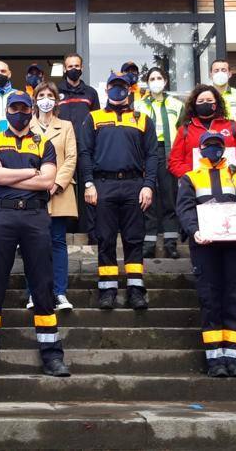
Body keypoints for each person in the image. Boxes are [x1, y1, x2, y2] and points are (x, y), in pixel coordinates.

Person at [0, 91, 69, 378]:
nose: (20, 113)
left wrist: (12, 174)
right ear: (7, 111)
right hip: (1, 216)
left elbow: (49, 180)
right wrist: (31, 173)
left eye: (24, 108)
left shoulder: (45, 143)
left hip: (34, 217)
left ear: (31, 111)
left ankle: (52, 354)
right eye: (14, 108)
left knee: (42, 284)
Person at [168, 84, 236, 311]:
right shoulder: (186, 130)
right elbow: (174, 161)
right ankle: (209, 297)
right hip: (200, 198)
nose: (205, 104)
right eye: (200, 100)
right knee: (204, 251)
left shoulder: (232, 126)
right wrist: (190, 178)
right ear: (193, 104)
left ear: (217, 102)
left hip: (230, 198)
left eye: (209, 100)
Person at [176, 132, 236, 378]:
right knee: (210, 300)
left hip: (235, 245)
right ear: (200, 149)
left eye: (218, 145)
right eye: (209, 145)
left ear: (224, 149)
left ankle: (233, 358)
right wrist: (195, 231)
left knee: (233, 299)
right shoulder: (190, 177)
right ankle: (214, 360)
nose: (214, 149)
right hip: (205, 246)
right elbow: (185, 208)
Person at [80, 73, 158, 310]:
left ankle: (135, 290)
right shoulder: (93, 118)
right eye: (113, 86)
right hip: (104, 184)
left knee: (134, 239)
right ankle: (107, 289)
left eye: (122, 86)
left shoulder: (143, 119)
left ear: (129, 89)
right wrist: (89, 183)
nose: (118, 90)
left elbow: (152, 155)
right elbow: (85, 153)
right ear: (107, 89)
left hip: (134, 185)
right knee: (105, 238)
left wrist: (148, 184)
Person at [27, 81, 79, 310]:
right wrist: (38, 183)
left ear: (56, 100)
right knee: (33, 245)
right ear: (35, 99)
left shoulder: (66, 126)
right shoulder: (26, 125)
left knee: (57, 242)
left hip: (59, 192)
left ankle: (59, 293)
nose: (45, 99)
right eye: (41, 95)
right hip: (32, 193)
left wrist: (56, 183)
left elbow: (71, 158)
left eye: (50, 95)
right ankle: (34, 293)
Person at [134, 67, 184, 259]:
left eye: (159, 78)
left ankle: (171, 242)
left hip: (169, 152)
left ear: (165, 81)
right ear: (147, 83)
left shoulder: (176, 104)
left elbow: (182, 131)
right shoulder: (138, 105)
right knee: (149, 199)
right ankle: (149, 242)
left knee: (169, 197)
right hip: (147, 153)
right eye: (152, 78)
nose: (156, 81)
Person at [56, 52, 100, 240]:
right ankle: (65, 230)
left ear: (82, 68)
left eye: (77, 66)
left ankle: (91, 231)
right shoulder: (56, 91)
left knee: (88, 187)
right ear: (64, 69)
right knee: (64, 187)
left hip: (86, 147)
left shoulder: (91, 93)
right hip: (62, 147)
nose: (73, 69)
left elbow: (98, 120)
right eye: (70, 66)